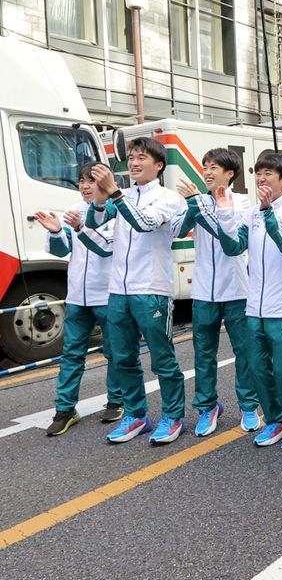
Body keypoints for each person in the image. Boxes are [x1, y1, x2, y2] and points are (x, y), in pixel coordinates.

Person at [85, 140, 188, 444]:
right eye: (131, 158)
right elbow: (94, 224)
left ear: (159, 165)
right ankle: (136, 415)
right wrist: (101, 200)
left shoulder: (168, 198)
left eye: (141, 158)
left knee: (162, 358)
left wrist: (114, 193)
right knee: (121, 357)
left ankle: (172, 417)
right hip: (118, 290)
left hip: (152, 289)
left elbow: (144, 223)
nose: (133, 163)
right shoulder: (124, 195)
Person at [216, 152, 282, 450]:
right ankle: (276, 420)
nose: (261, 178)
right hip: (255, 306)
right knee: (258, 368)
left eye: (268, 174)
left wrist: (268, 212)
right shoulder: (252, 214)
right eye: (258, 173)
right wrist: (225, 214)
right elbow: (234, 247)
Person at [174, 149, 261, 437]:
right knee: (203, 353)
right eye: (205, 167)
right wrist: (192, 206)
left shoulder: (244, 203)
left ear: (230, 173)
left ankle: (249, 406)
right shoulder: (195, 202)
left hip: (237, 289)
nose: (207, 172)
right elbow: (178, 230)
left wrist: (198, 205)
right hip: (202, 291)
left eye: (214, 167)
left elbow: (230, 239)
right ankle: (207, 407)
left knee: (244, 352)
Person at [37, 163, 123, 435]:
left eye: (92, 181)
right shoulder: (72, 210)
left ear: (105, 183)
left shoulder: (115, 211)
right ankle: (64, 409)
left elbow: (107, 249)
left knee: (115, 352)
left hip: (108, 293)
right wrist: (55, 231)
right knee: (72, 354)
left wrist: (83, 227)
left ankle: (117, 400)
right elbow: (62, 250)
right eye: (82, 181)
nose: (85, 186)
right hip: (76, 296)